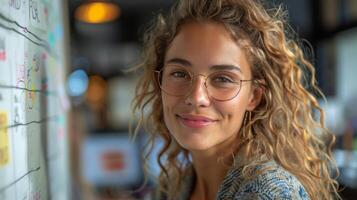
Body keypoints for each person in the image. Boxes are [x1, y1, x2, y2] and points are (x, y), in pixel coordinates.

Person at [131, 0, 340, 199]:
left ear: (254, 96)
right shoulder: (171, 189)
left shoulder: (271, 193)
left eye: (223, 79)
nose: (196, 98)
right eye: (179, 74)